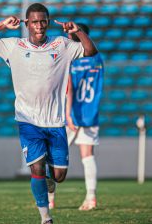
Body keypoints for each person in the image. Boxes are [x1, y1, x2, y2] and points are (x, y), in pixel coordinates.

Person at [0, 3, 98, 224]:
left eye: (43, 21)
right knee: (37, 167)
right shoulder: (14, 46)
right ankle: (45, 218)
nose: (39, 26)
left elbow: (90, 51)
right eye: (35, 22)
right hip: (28, 120)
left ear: (48, 22)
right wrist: (2, 25)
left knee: (59, 176)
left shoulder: (62, 45)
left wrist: (76, 30)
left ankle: (50, 180)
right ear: (27, 23)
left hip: (56, 122)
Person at [48, 24, 103, 211]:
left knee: (54, 156)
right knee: (87, 157)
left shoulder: (71, 58)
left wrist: (68, 116)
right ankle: (91, 197)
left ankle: (50, 199)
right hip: (89, 114)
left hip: (69, 114)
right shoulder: (97, 58)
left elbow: (68, 88)